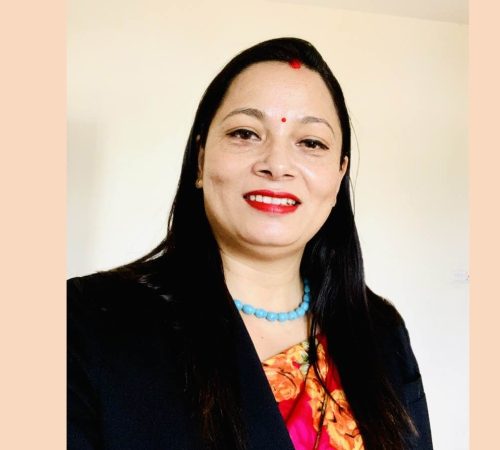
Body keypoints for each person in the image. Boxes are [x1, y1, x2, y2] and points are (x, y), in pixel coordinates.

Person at [68, 37, 433, 450]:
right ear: (201, 160)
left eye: (311, 142)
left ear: (338, 176)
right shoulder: (87, 322)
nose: (276, 164)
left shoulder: (380, 332)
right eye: (245, 133)